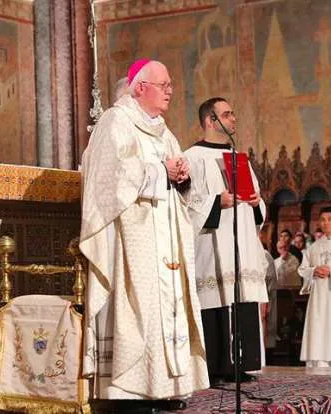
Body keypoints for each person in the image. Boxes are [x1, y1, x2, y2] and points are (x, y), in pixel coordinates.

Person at [79, 59, 208, 405]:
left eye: (170, 84)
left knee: (168, 308)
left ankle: (166, 387)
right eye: (163, 84)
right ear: (140, 87)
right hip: (133, 238)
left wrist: (182, 177)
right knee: (141, 309)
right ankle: (131, 390)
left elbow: (176, 181)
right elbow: (108, 177)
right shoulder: (115, 121)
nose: (170, 91)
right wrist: (159, 171)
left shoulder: (164, 131)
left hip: (165, 236)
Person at [183, 97, 269, 384]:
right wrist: (215, 203)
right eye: (227, 114)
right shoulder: (192, 158)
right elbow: (185, 204)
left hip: (241, 241)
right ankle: (216, 367)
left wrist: (256, 203)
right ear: (210, 120)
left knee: (242, 297)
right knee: (216, 300)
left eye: (233, 114)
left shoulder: (238, 157)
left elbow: (257, 204)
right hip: (211, 242)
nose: (234, 119)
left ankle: (242, 363)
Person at [298, 207, 331, 368]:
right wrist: (314, 270)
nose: (326, 222)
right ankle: (318, 360)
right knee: (319, 326)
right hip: (319, 296)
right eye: (322, 219)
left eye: (329, 219)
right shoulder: (314, 247)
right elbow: (302, 269)